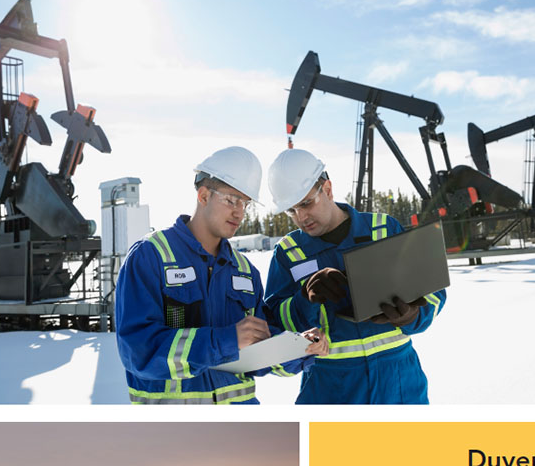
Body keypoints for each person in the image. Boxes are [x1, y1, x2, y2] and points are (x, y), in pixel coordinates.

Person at [115, 146, 326, 404]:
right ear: (203, 195)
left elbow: (256, 354)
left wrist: (298, 348)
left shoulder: (245, 271)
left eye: (245, 203)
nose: (239, 212)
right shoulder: (151, 257)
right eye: (231, 200)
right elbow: (139, 352)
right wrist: (226, 340)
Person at [263, 148, 446, 405]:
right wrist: (303, 299)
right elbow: (274, 323)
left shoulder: (382, 229)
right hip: (330, 390)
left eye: (306, 203)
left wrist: (413, 315)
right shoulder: (288, 253)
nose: (301, 217)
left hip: (399, 384)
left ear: (327, 189)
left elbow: (432, 292)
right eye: (291, 211)